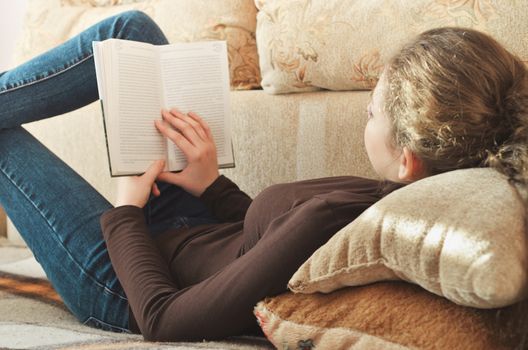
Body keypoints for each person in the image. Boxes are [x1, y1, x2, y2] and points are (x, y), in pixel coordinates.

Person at [0, 9, 526, 346]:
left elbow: (165, 321)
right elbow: (269, 243)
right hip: (191, 225)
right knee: (131, 33)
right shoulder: (405, 192)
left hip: (130, 282)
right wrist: (210, 185)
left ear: (409, 157)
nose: (364, 119)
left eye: (370, 114)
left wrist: (128, 212)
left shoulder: (340, 219)